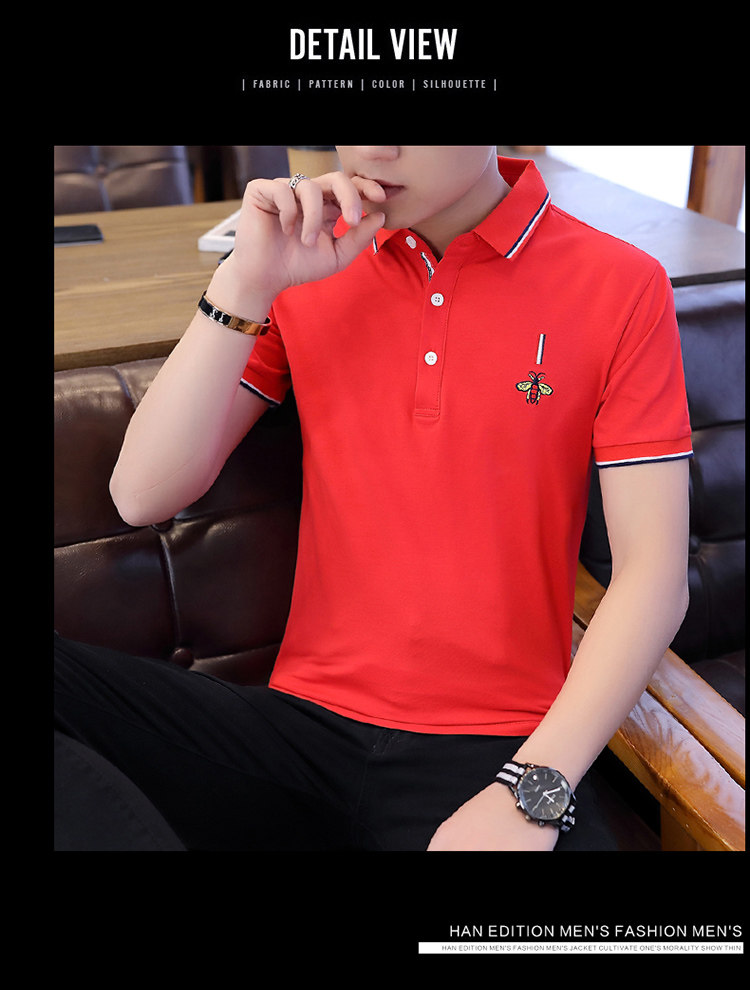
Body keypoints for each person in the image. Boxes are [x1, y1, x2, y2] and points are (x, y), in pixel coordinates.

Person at [54, 147, 692, 851]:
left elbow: (653, 578)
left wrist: (532, 792)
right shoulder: (306, 264)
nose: (374, 150)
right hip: (298, 736)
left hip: (499, 753)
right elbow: (142, 493)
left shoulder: (620, 284)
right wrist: (244, 280)